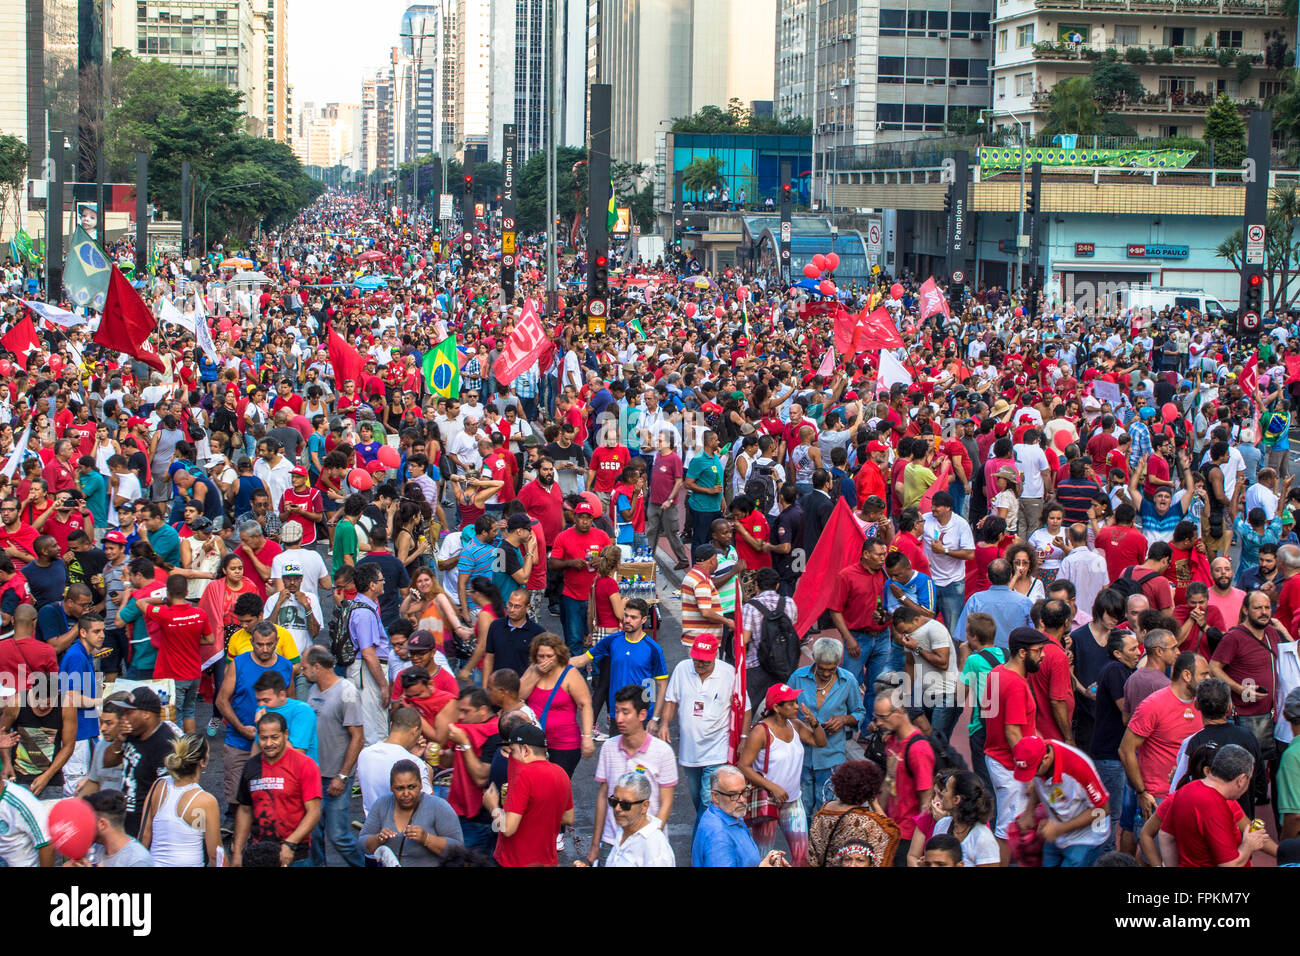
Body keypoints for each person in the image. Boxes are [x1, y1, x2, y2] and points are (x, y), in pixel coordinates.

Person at [587, 684, 678, 865]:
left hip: (645, 845)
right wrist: (596, 844)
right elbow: (603, 796)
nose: (619, 718)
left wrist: (651, 837)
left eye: (626, 712)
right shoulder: (608, 748)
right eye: (617, 711)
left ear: (642, 715)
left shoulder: (662, 752)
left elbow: (666, 801)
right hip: (612, 840)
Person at [738, 683, 827, 867]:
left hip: (793, 801)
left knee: (802, 855)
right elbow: (744, 766)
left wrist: (813, 721)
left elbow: (820, 742)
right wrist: (773, 787)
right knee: (764, 858)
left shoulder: (795, 724)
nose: (796, 706)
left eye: (795, 701)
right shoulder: (760, 732)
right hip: (767, 802)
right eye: (791, 703)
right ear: (777, 708)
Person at [1120, 650, 1209, 833]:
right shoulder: (1153, 705)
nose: (1208, 678)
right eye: (1204, 674)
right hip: (1158, 796)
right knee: (1155, 855)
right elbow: (1125, 749)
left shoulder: (1202, 704)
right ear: (1186, 675)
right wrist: (1142, 791)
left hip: (1191, 795)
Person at [983, 626, 1047, 865]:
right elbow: (1012, 731)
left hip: (1000, 760)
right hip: (1010, 766)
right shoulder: (1016, 684)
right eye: (1038, 651)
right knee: (1008, 829)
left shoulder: (997, 672)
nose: (1042, 655)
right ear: (1022, 653)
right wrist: (1027, 771)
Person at [217, 621, 294, 816]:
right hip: (239, 742)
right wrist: (241, 727)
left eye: (269, 644)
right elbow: (222, 701)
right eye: (260, 644)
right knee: (236, 795)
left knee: (269, 801)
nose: (265, 649)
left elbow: (290, 704)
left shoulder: (285, 666)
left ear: (277, 641)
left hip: (273, 745)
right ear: (252, 642)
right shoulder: (239, 664)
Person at [658, 634, 737, 819]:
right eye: (696, 660)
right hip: (690, 752)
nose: (699, 665)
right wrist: (664, 724)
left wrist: (743, 738)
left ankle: (701, 845)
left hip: (717, 750)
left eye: (705, 662)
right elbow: (671, 700)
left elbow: (745, 707)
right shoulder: (682, 669)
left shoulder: (729, 673)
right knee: (698, 802)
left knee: (708, 804)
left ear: (715, 656)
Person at [1158, 744, 1275, 867]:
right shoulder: (1215, 807)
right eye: (1249, 779)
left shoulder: (1186, 790)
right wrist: (1248, 845)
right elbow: (1229, 865)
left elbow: (1166, 835)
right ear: (1241, 780)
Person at [232, 711, 323, 867]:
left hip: (297, 854)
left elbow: (314, 811)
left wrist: (290, 844)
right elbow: (245, 810)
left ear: (285, 734)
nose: (268, 744)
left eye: (274, 737)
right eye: (263, 738)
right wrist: (238, 853)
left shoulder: (304, 764)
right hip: (259, 854)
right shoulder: (251, 766)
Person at [786, 637, 866, 814]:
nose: (827, 673)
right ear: (814, 660)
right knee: (801, 810)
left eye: (831, 669)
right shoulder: (798, 677)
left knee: (828, 810)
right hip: (802, 755)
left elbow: (859, 712)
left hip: (832, 756)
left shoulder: (848, 680)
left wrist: (844, 720)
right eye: (822, 669)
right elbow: (784, 709)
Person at [304, 645, 366, 867]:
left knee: (339, 835)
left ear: (317, 667)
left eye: (305, 668)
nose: (303, 672)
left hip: (335, 776)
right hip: (314, 776)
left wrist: (342, 776)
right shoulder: (314, 690)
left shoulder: (346, 692)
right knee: (315, 833)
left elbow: (358, 737)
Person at [484, 723, 575, 867]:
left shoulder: (524, 776)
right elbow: (568, 818)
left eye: (513, 751)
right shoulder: (561, 773)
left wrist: (493, 806)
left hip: (515, 862)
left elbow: (508, 828)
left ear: (525, 750)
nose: (511, 757)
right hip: (547, 861)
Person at [1013, 734, 1111, 867]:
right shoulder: (1037, 753)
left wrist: (1060, 829)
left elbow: (1102, 810)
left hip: (1085, 839)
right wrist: (1029, 812)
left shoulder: (1078, 768)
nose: (1032, 776)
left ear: (1046, 759)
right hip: (1056, 833)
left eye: (1033, 772)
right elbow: (1038, 781)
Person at [571, 598, 667, 729]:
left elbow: (662, 685)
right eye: (626, 615)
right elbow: (582, 660)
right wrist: (556, 662)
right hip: (618, 715)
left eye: (633, 617)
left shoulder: (653, 648)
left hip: (642, 717)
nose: (627, 620)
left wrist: (655, 719)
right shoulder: (612, 641)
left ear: (644, 620)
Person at [103, 687, 178, 839]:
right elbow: (108, 762)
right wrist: (119, 740)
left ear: (146, 714)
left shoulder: (166, 745)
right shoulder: (132, 733)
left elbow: (168, 797)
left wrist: (146, 837)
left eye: (128, 712)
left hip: (146, 830)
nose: (124, 717)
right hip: (125, 823)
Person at [360, 759, 464, 867]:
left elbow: (458, 849)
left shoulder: (439, 807)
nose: (406, 793)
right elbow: (363, 843)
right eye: (400, 788)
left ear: (420, 785)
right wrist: (378, 839)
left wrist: (427, 838)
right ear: (391, 788)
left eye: (411, 787)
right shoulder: (382, 804)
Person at [518, 632, 595, 777]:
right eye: (541, 656)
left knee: (556, 785)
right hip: (535, 743)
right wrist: (536, 674)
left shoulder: (569, 674)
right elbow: (520, 696)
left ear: (558, 655)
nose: (545, 660)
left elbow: (585, 705)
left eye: (549, 656)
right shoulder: (533, 669)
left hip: (564, 744)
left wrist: (587, 737)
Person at [139, 733, 221, 867]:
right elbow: (215, 855)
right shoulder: (206, 801)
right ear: (202, 762)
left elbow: (145, 835)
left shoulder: (159, 785)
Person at [806, 759, 900, 867]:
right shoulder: (866, 821)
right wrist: (875, 804)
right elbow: (891, 832)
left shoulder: (824, 811)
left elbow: (813, 855)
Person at [355, 706, 431, 816]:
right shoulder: (415, 763)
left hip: (372, 827)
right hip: (404, 830)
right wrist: (428, 771)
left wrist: (410, 754)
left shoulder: (365, 754)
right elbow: (429, 807)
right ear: (415, 731)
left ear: (391, 726)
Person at [346, 562, 392, 745]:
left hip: (364, 671)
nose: (384, 583)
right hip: (367, 673)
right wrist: (383, 685)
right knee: (375, 731)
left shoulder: (359, 606)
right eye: (381, 580)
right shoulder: (365, 613)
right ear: (372, 585)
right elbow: (368, 652)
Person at [592, 770, 676, 867]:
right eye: (614, 802)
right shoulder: (624, 829)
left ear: (644, 806)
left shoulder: (655, 850)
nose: (617, 809)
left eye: (625, 804)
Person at [691, 765, 763, 868]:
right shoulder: (718, 837)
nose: (742, 799)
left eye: (744, 792)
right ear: (715, 796)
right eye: (733, 795)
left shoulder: (730, 813)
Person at [85, 790, 155, 867]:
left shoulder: (138, 861)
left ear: (102, 824)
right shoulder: (94, 850)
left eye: (88, 821)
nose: (84, 826)